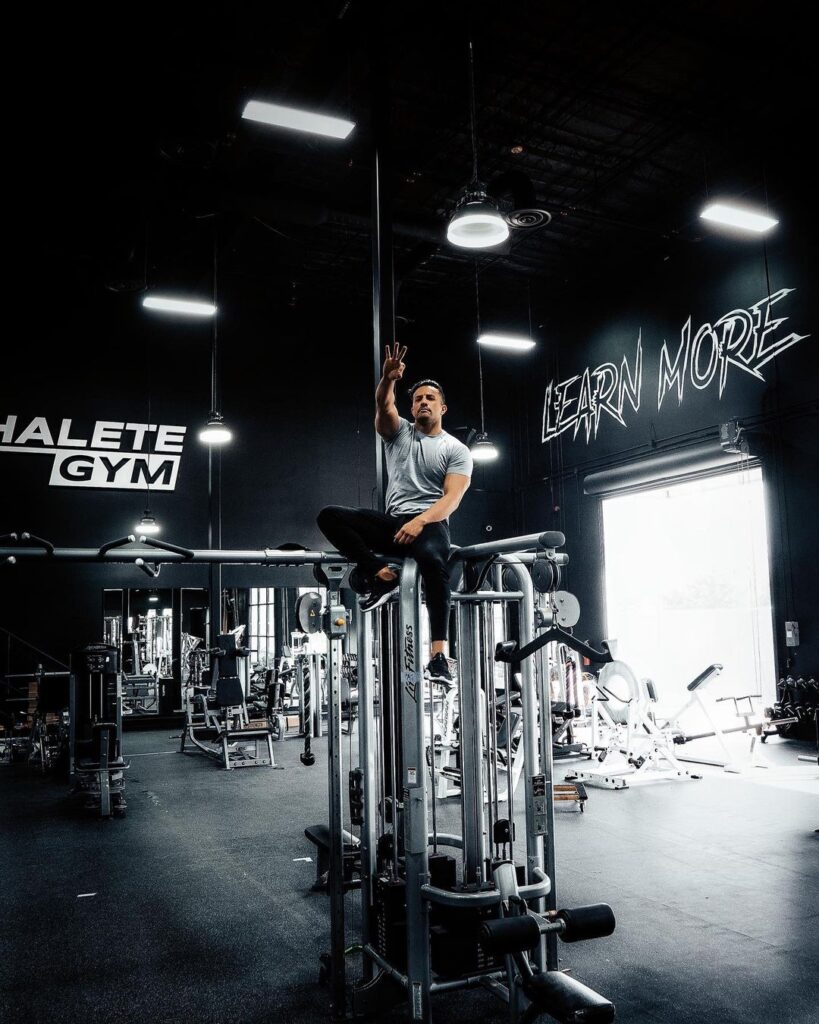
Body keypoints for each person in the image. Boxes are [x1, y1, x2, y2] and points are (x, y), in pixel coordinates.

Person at [317, 343, 472, 683]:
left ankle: (439, 656)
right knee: (330, 515)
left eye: (430, 398)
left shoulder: (455, 449)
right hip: (394, 522)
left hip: (430, 523)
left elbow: (452, 498)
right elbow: (383, 404)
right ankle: (380, 574)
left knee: (434, 562)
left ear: (442, 407)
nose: (423, 403)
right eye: (417, 398)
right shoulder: (398, 432)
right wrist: (388, 379)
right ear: (412, 407)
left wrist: (421, 521)